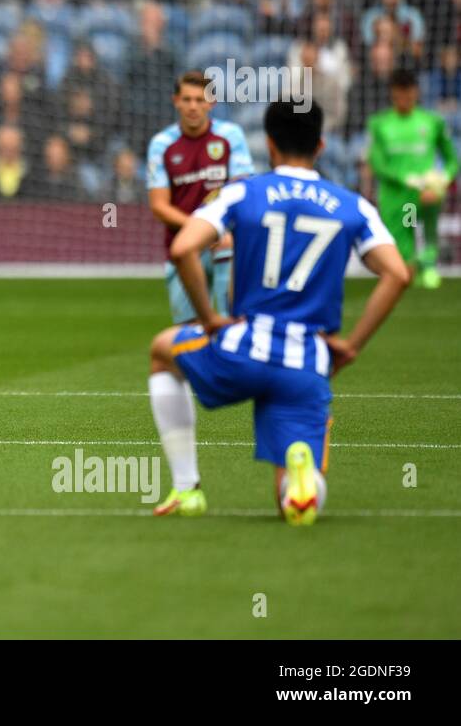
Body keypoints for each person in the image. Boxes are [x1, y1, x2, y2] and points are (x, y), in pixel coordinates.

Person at [147, 98, 410, 524]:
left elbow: (182, 249)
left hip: (244, 347)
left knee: (162, 352)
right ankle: (300, 482)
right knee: (287, 495)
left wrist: (211, 319)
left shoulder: (242, 192)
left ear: (269, 145)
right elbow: (397, 275)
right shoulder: (352, 205)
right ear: (321, 145)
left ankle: (186, 487)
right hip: (306, 360)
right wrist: (353, 346)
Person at [147, 71, 255, 323]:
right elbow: (159, 206)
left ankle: (230, 326)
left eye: (199, 99)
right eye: (187, 99)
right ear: (176, 101)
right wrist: (202, 230)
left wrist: (217, 231)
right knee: (189, 332)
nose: (193, 106)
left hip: (223, 241)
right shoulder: (162, 144)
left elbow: (242, 191)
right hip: (184, 244)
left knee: (233, 323)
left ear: (212, 102)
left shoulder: (231, 136)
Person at [366, 68, 459, 289]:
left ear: (416, 93)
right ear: (392, 94)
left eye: (408, 95)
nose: (404, 100)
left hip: (425, 192)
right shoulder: (380, 124)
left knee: (429, 214)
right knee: (403, 246)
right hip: (396, 195)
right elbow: (377, 162)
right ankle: (411, 265)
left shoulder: (432, 122)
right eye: (399, 95)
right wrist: (404, 178)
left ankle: (429, 265)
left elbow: (452, 160)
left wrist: (441, 180)